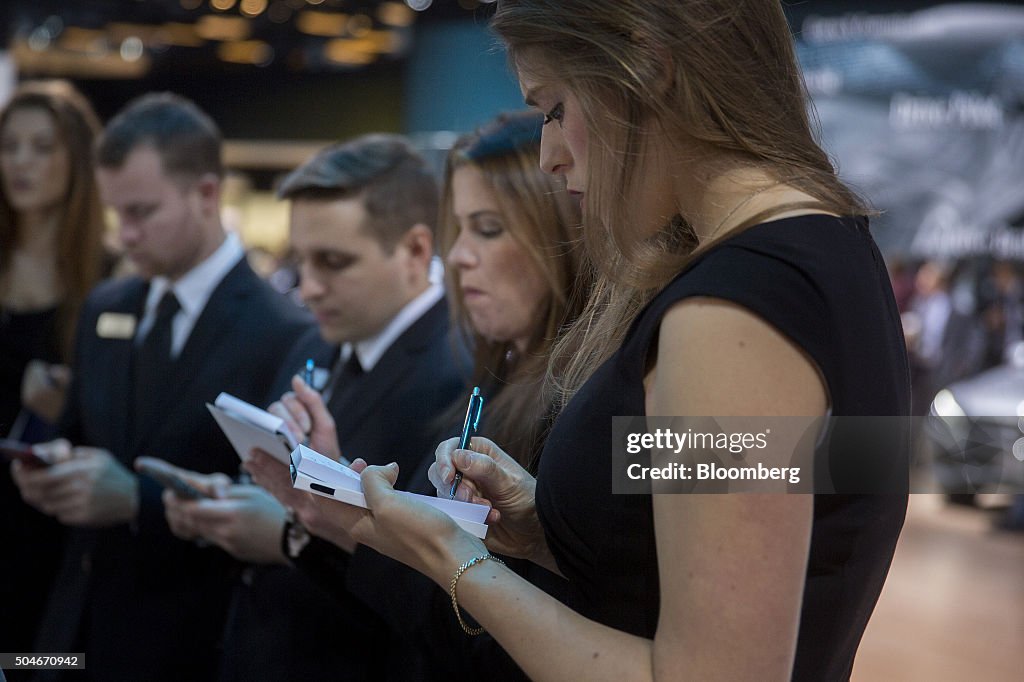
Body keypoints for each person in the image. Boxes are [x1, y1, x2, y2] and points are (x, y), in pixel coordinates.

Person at [293, 2, 912, 681]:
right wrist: (547, 526)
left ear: (646, 67)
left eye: (555, 107)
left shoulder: (733, 308)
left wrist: (455, 559)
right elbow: (783, 521)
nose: (549, 155)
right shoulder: (821, 252)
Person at [10, 92, 311, 682]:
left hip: (190, 642)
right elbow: (78, 432)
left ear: (205, 195)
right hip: (68, 637)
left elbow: (279, 508)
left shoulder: (283, 331)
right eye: (117, 213)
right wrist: (49, 465)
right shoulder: (106, 306)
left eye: (143, 212)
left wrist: (137, 502)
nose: (126, 235)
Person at [156, 133, 468, 681]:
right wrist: (233, 503)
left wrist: (290, 535)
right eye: (301, 261)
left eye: (333, 262)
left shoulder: (460, 374)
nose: (308, 287)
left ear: (416, 251)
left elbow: (433, 585)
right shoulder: (314, 343)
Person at [0, 80, 107, 672]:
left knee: (38, 664)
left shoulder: (109, 280)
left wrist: (69, 404)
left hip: (49, 525)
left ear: (77, 160)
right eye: (9, 146)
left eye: (41, 147)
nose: (20, 162)